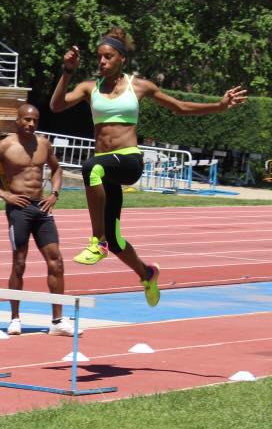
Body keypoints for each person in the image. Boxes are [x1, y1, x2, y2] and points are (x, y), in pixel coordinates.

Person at [50, 27, 247, 306]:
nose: (102, 62)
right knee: (118, 241)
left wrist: (219, 106)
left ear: (122, 59)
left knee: (91, 167)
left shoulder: (138, 86)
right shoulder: (89, 87)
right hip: (106, 170)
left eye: (108, 57)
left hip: (129, 160)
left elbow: (179, 107)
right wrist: (67, 71)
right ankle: (147, 273)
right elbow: (56, 106)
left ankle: (97, 241)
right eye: (99, 57)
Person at [0, 104, 77, 336]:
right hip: (18, 210)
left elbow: (57, 169)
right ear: (17, 120)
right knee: (19, 263)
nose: (30, 124)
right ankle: (15, 318)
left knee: (56, 262)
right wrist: (6, 195)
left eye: (34, 120)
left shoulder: (43, 144)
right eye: (27, 119)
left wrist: (55, 194)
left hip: (42, 208)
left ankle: (58, 321)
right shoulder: (5, 146)